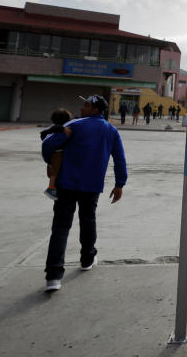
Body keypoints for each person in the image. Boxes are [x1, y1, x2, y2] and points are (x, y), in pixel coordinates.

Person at [43, 94, 127, 292]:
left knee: (61, 228)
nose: (82, 108)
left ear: (96, 109)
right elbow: (120, 158)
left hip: (67, 184)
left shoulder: (75, 125)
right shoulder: (111, 130)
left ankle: (53, 277)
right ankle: (87, 258)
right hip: (92, 186)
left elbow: (47, 145)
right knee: (88, 220)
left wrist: (51, 162)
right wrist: (119, 184)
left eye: (86, 105)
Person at [40, 108, 72, 200]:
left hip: (49, 152)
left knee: (52, 168)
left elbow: (43, 134)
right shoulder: (60, 128)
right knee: (55, 172)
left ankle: (52, 185)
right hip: (55, 152)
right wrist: (62, 129)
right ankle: (51, 188)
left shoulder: (51, 128)